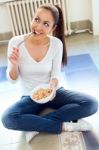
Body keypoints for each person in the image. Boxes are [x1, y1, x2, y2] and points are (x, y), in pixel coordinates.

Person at [1, 4, 98, 142]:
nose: (38, 27)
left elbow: (55, 75)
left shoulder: (56, 44)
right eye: (36, 19)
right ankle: (64, 125)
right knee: (7, 118)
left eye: (46, 24)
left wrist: (52, 88)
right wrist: (14, 65)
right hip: (29, 96)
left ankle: (35, 125)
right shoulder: (16, 43)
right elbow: (12, 80)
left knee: (91, 103)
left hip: (53, 92)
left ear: (53, 28)